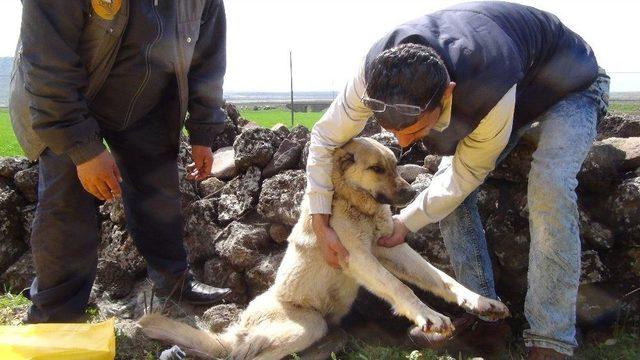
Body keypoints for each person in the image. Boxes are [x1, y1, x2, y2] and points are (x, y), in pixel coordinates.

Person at [306, 2, 609, 358]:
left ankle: (550, 338)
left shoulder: (488, 89)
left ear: (447, 94)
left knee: (550, 184)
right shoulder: (373, 78)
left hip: (571, 87)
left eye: (414, 129)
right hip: (512, 84)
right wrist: (320, 221)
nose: (404, 143)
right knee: (444, 190)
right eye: (391, 130)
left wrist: (407, 221)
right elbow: (325, 138)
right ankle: (484, 319)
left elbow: (467, 174)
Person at [10, 0, 231, 323]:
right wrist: (83, 148)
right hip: (69, 101)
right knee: (67, 202)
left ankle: (173, 281)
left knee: (160, 191)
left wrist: (203, 130)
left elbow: (207, 59)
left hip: (145, 104)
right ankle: (56, 313)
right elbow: (48, 63)